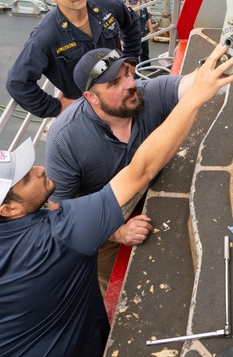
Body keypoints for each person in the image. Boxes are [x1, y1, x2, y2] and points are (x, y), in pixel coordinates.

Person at [0, 44, 233, 357]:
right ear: (7, 207)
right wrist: (194, 100)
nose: (41, 170)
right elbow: (141, 171)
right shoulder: (65, 232)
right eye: (27, 178)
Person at [44, 46, 197, 291]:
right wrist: (118, 232)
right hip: (103, 220)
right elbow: (61, 211)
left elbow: (193, 83)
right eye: (115, 83)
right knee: (111, 291)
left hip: (153, 193)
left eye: (127, 73)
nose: (130, 84)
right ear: (91, 97)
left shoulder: (147, 95)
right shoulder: (66, 138)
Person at [6, 0, 142, 118]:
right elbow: (17, 82)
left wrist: (130, 61)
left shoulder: (107, 4)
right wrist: (57, 107)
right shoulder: (45, 37)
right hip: (87, 111)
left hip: (123, 93)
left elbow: (131, 23)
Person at [128, 0, 153, 66]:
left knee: (145, 52)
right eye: (132, 4)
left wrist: (151, 31)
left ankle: (147, 66)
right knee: (136, 54)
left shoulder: (143, 9)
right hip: (134, 36)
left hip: (143, 34)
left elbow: (148, 19)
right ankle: (137, 70)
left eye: (136, 3)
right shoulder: (128, 13)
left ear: (139, 1)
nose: (135, 5)